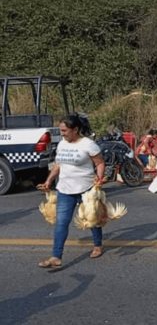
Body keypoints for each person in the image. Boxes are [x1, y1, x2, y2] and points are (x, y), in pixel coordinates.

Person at [37, 114, 106, 268]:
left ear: (75, 130)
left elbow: (100, 163)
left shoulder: (88, 144)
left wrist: (99, 179)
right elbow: (58, 164)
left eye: (64, 131)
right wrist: (48, 181)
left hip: (86, 190)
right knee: (61, 223)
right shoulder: (62, 144)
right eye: (61, 130)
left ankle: (98, 245)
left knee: (92, 220)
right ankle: (56, 256)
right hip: (65, 190)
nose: (62, 133)